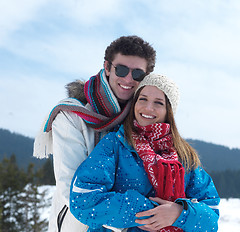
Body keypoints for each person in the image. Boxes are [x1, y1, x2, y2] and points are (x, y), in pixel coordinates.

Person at [33, 35, 157, 232]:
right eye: (121, 69)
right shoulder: (72, 115)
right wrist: (139, 221)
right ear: (107, 67)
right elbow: (71, 191)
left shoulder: (143, 119)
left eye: (137, 74)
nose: (128, 79)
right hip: (79, 225)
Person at [69, 74, 220, 232]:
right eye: (142, 99)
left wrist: (179, 213)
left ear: (169, 111)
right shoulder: (115, 144)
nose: (148, 108)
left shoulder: (184, 156)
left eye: (158, 103)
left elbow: (211, 217)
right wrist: (149, 212)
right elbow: (83, 200)